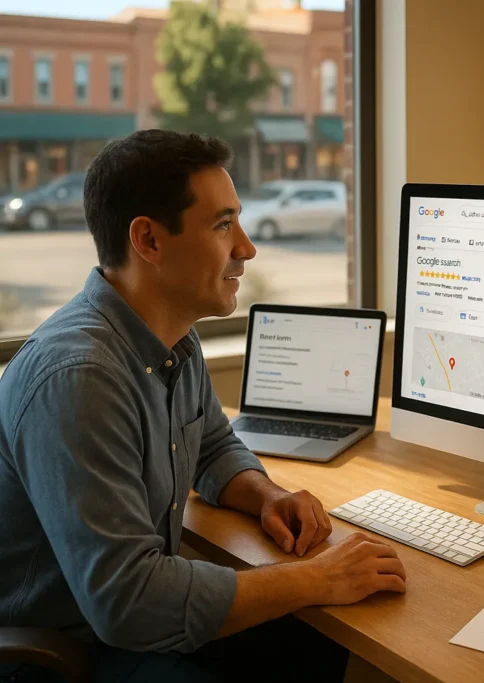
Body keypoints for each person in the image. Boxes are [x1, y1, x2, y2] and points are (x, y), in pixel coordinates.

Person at [0, 130, 406, 682]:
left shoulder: (172, 337)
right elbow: (130, 603)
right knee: (310, 616)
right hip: (68, 652)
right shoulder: (80, 378)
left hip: (114, 627)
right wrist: (319, 577)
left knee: (310, 643)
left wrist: (266, 494)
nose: (246, 246)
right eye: (222, 225)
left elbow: (211, 445)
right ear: (148, 240)